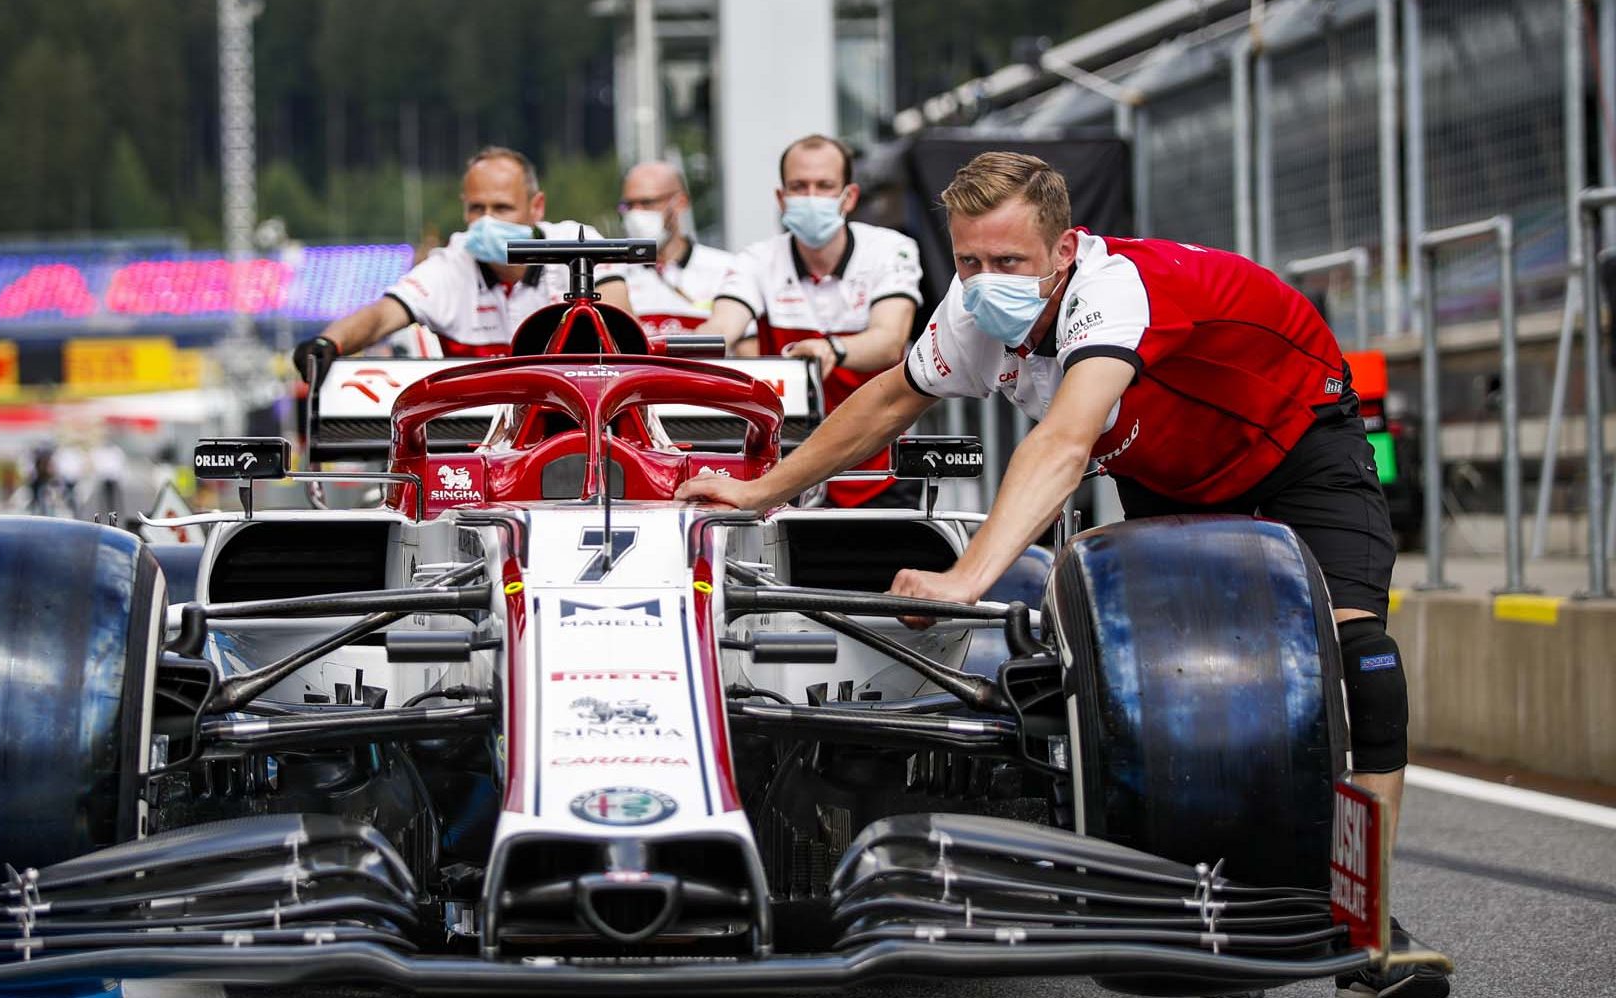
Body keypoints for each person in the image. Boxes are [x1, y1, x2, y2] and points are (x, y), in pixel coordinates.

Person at [677, 151, 1444, 998]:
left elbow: (1066, 444)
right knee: (1170, 693)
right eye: (967, 262)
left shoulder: (1114, 290)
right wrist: (760, 490)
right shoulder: (976, 315)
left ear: (1064, 252)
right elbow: (892, 398)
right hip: (1172, 472)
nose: (983, 282)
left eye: (1008, 263)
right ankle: (1193, 906)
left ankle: (1371, 931)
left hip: (1294, 443)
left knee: (1364, 669)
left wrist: (967, 578)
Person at [697, 135, 923, 507]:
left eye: (824, 186)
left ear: (848, 197)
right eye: (799, 187)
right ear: (781, 198)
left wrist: (831, 347)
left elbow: (889, 340)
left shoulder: (890, 249)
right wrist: (681, 346)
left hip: (878, 465)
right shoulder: (756, 260)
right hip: (789, 469)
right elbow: (723, 326)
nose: (811, 196)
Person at [292, 147, 631, 379]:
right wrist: (328, 343)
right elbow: (382, 315)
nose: (486, 221)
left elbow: (621, 329)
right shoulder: (451, 263)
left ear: (537, 207)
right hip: (474, 441)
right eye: (476, 208)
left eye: (501, 208)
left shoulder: (579, 242)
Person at [615, 161, 744, 338]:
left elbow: (748, 352)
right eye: (629, 206)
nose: (636, 214)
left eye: (647, 203)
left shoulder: (727, 269)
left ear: (680, 202)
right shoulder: (613, 275)